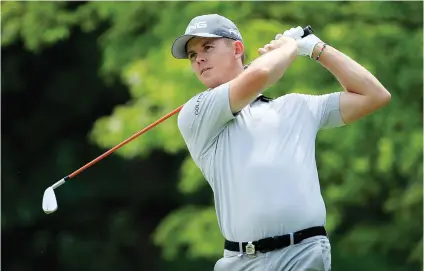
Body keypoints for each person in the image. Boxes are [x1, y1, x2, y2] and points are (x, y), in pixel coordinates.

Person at [171, 14, 391, 271]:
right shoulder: (196, 112)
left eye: (207, 47)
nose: (199, 59)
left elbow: (374, 95)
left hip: (304, 254)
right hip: (241, 262)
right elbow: (261, 74)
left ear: (237, 49)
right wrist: (291, 46)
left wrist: (316, 48)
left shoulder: (297, 106)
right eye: (192, 55)